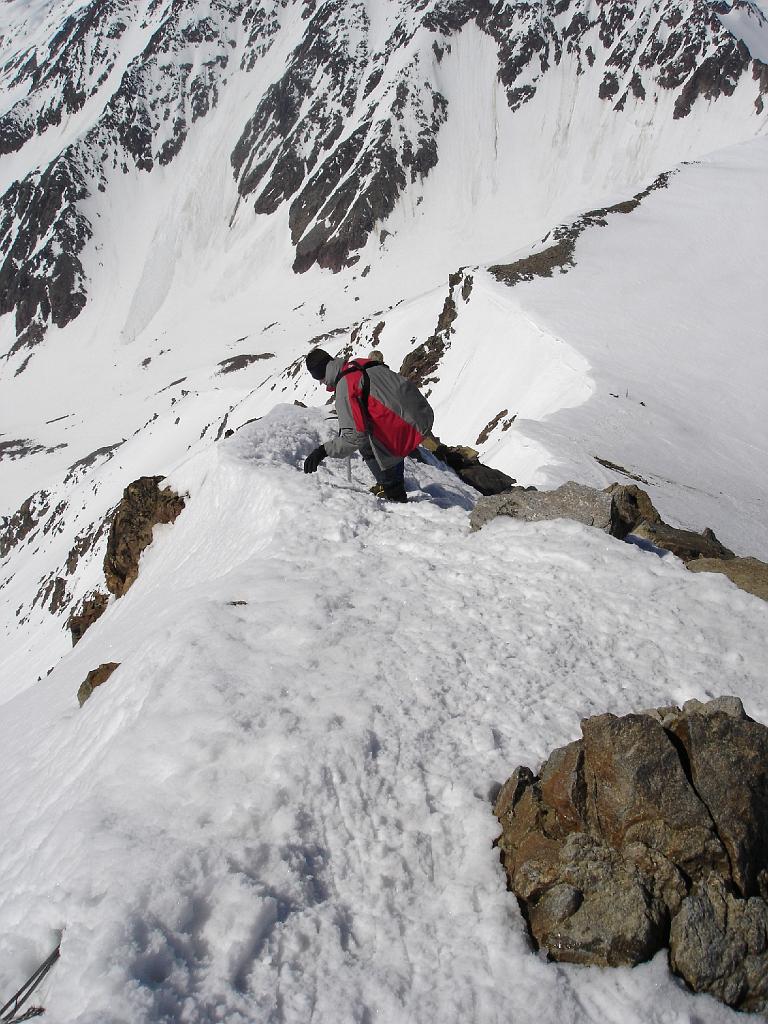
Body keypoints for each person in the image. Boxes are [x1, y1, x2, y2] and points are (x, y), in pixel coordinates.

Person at [303, 348, 433, 502]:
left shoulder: (346, 385)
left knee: (368, 443)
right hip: (418, 413)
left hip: (400, 426)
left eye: (318, 376)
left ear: (321, 372)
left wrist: (322, 451)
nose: (320, 382)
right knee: (376, 436)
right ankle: (392, 484)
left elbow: (354, 438)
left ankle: (395, 493)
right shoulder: (358, 364)